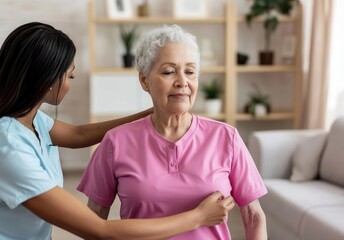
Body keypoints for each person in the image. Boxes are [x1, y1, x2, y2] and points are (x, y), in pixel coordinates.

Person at [0, 22, 236, 240]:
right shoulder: (4, 144)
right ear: (47, 79)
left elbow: (78, 135)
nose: (71, 83)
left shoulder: (31, 119)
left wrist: (157, 110)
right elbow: (99, 231)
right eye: (70, 76)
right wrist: (198, 217)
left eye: (189, 71)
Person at [78, 24, 268, 240]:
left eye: (190, 72)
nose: (182, 82)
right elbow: (92, 222)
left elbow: (254, 217)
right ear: (144, 81)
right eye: (169, 72)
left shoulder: (227, 137)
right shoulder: (115, 142)